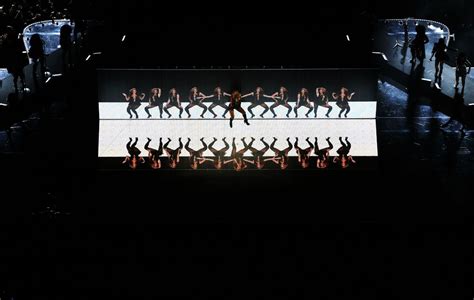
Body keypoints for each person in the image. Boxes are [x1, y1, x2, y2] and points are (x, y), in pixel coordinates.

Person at [2, 26, 26, 93]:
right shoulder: (8, 39)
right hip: (14, 59)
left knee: (18, 74)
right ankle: (19, 86)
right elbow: (13, 46)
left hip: (14, 59)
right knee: (18, 74)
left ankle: (20, 86)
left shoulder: (8, 39)